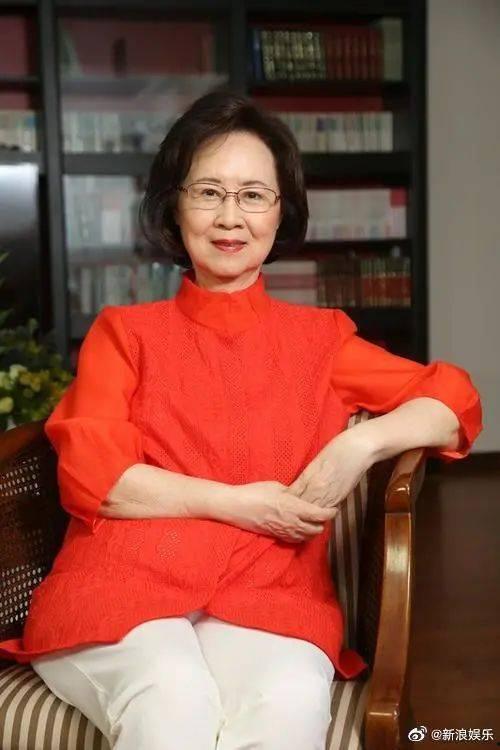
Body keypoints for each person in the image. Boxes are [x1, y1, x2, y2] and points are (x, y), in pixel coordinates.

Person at [0, 90, 483, 749]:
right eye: (208, 193)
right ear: (174, 206)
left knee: (287, 706)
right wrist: (242, 505)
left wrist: (359, 445)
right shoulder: (124, 332)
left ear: (282, 212)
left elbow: (454, 401)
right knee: (173, 699)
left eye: (254, 195)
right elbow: (95, 477)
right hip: (120, 583)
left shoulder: (321, 341)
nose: (231, 217)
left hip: (271, 589)